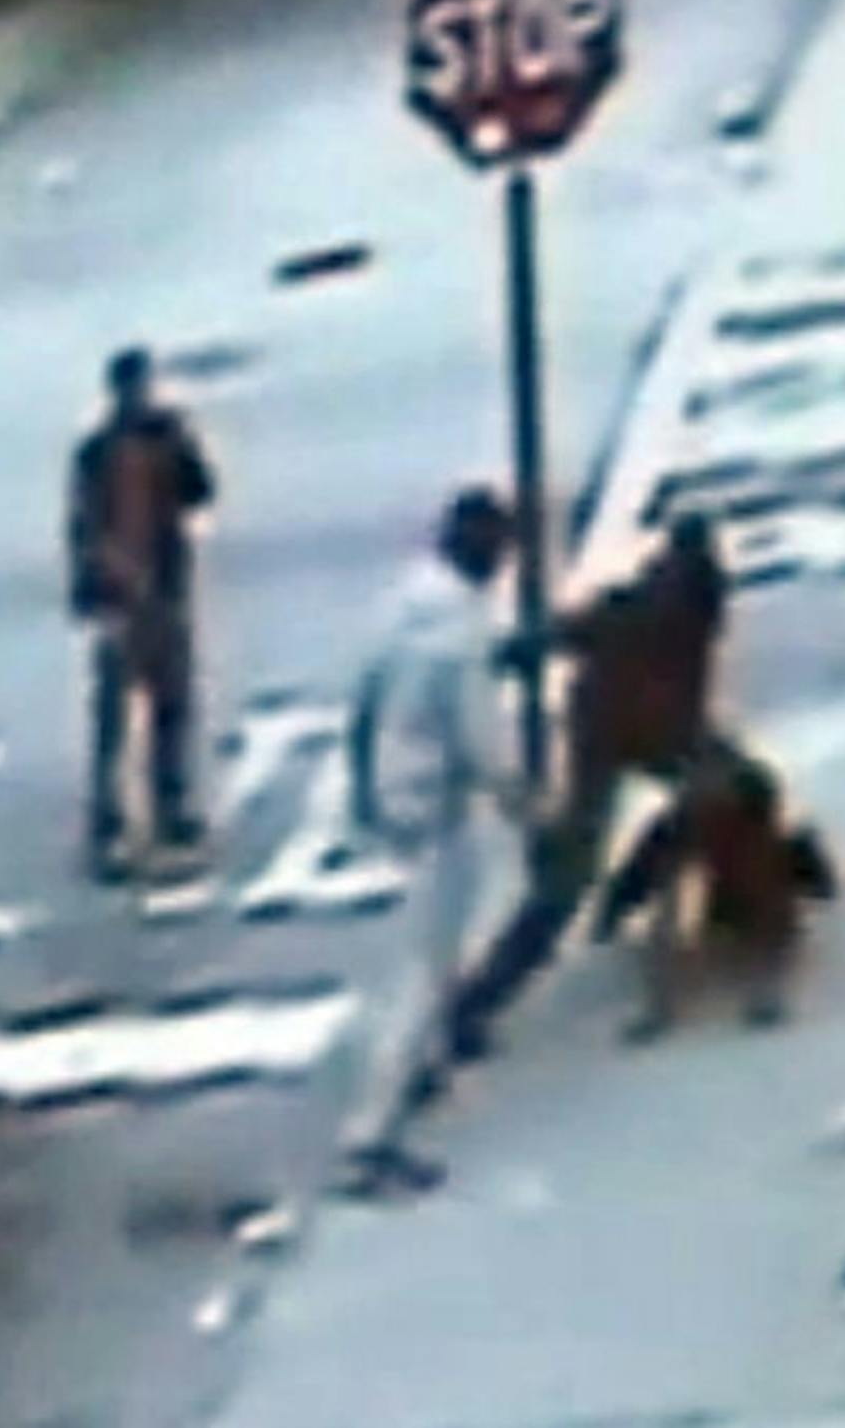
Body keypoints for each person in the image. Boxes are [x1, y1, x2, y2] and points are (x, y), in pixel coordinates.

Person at [449, 513, 729, 1060]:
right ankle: (477, 1002)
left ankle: (483, 998)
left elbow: (550, 637)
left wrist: (521, 650)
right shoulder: (652, 608)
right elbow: (554, 637)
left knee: (725, 801)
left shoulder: (661, 606)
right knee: (566, 879)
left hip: (647, 736)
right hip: (622, 739)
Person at [338, 487, 524, 1200]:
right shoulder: (460, 632)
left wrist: (363, 792)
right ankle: (371, 1137)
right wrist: (519, 799)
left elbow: (362, 701)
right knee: (422, 970)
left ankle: (433, 1058)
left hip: (392, 794)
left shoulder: (400, 605)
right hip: (437, 805)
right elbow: (479, 735)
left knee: (425, 952)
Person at [66, 346, 217, 877]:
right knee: (114, 717)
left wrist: (183, 446)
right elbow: (81, 525)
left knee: (171, 708)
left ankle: (168, 808)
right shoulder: (95, 453)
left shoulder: (165, 438)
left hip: (165, 590)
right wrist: (89, 591)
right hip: (121, 598)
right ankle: (108, 824)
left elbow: (201, 493)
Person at [597, 736, 842, 1037]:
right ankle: (661, 1004)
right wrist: (612, 914)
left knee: (762, 871)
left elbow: (813, 878)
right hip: (717, 918)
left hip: (760, 914)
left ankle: (765, 988)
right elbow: (640, 875)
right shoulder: (681, 823)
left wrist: (815, 881)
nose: (709, 792)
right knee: (670, 892)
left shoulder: (761, 818)